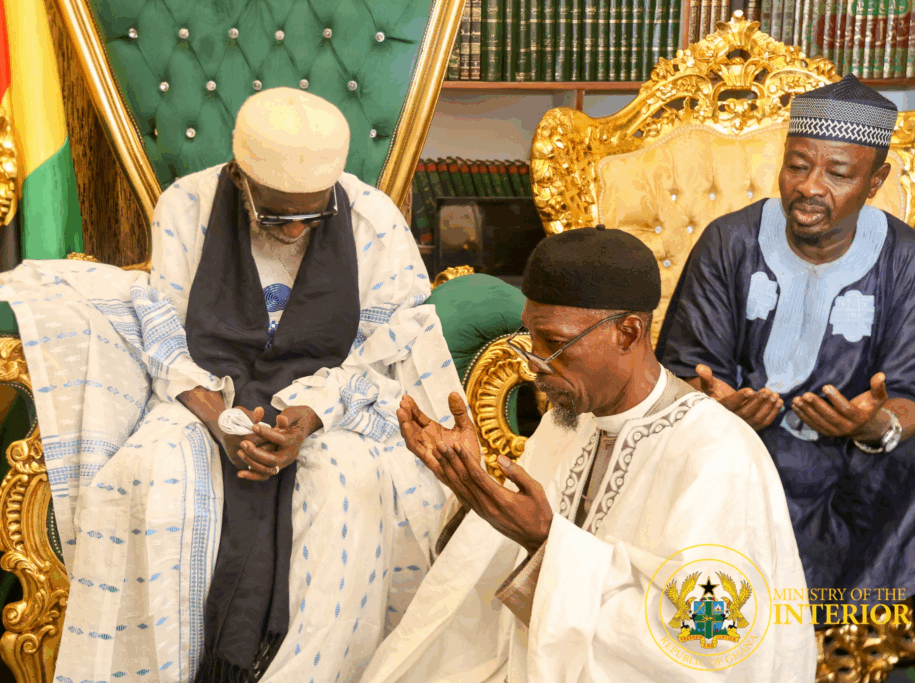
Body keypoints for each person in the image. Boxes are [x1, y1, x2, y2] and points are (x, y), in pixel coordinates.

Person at [0, 88, 463, 683]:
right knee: (156, 477)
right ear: (241, 180)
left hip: (332, 399)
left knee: (351, 482)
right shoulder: (187, 204)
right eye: (278, 216)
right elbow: (166, 341)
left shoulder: (371, 219)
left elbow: (381, 349)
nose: (294, 233)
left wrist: (308, 418)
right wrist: (221, 423)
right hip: (208, 392)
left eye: (312, 217)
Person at [360, 227, 816, 683]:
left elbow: (710, 644)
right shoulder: (571, 422)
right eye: (529, 338)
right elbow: (494, 585)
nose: (533, 362)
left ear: (628, 333)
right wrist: (472, 489)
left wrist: (544, 540)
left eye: (553, 343)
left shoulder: (718, 457)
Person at [656, 74, 915, 604]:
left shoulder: (906, 258)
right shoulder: (729, 241)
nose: (810, 186)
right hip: (742, 448)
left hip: (861, 461)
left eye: (838, 173)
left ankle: (858, 632)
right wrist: (715, 407)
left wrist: (876, 422)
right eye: (797, 165)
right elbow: (682, 371)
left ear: (875, 179)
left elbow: (910, 393)